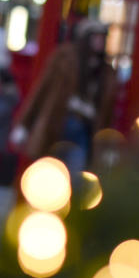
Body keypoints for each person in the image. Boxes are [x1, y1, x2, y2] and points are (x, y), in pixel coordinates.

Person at [10, 19, 118, 174]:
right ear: (86, 38)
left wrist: (107, 146)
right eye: (96, 37)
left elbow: (107, 114)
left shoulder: (106, 71)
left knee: (75, 175)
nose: (100, 42)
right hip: (58, 123)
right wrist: (24, 125)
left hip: (86, 130)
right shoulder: (65, 58)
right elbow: (42, 91)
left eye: (103, 38)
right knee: (49, 172)